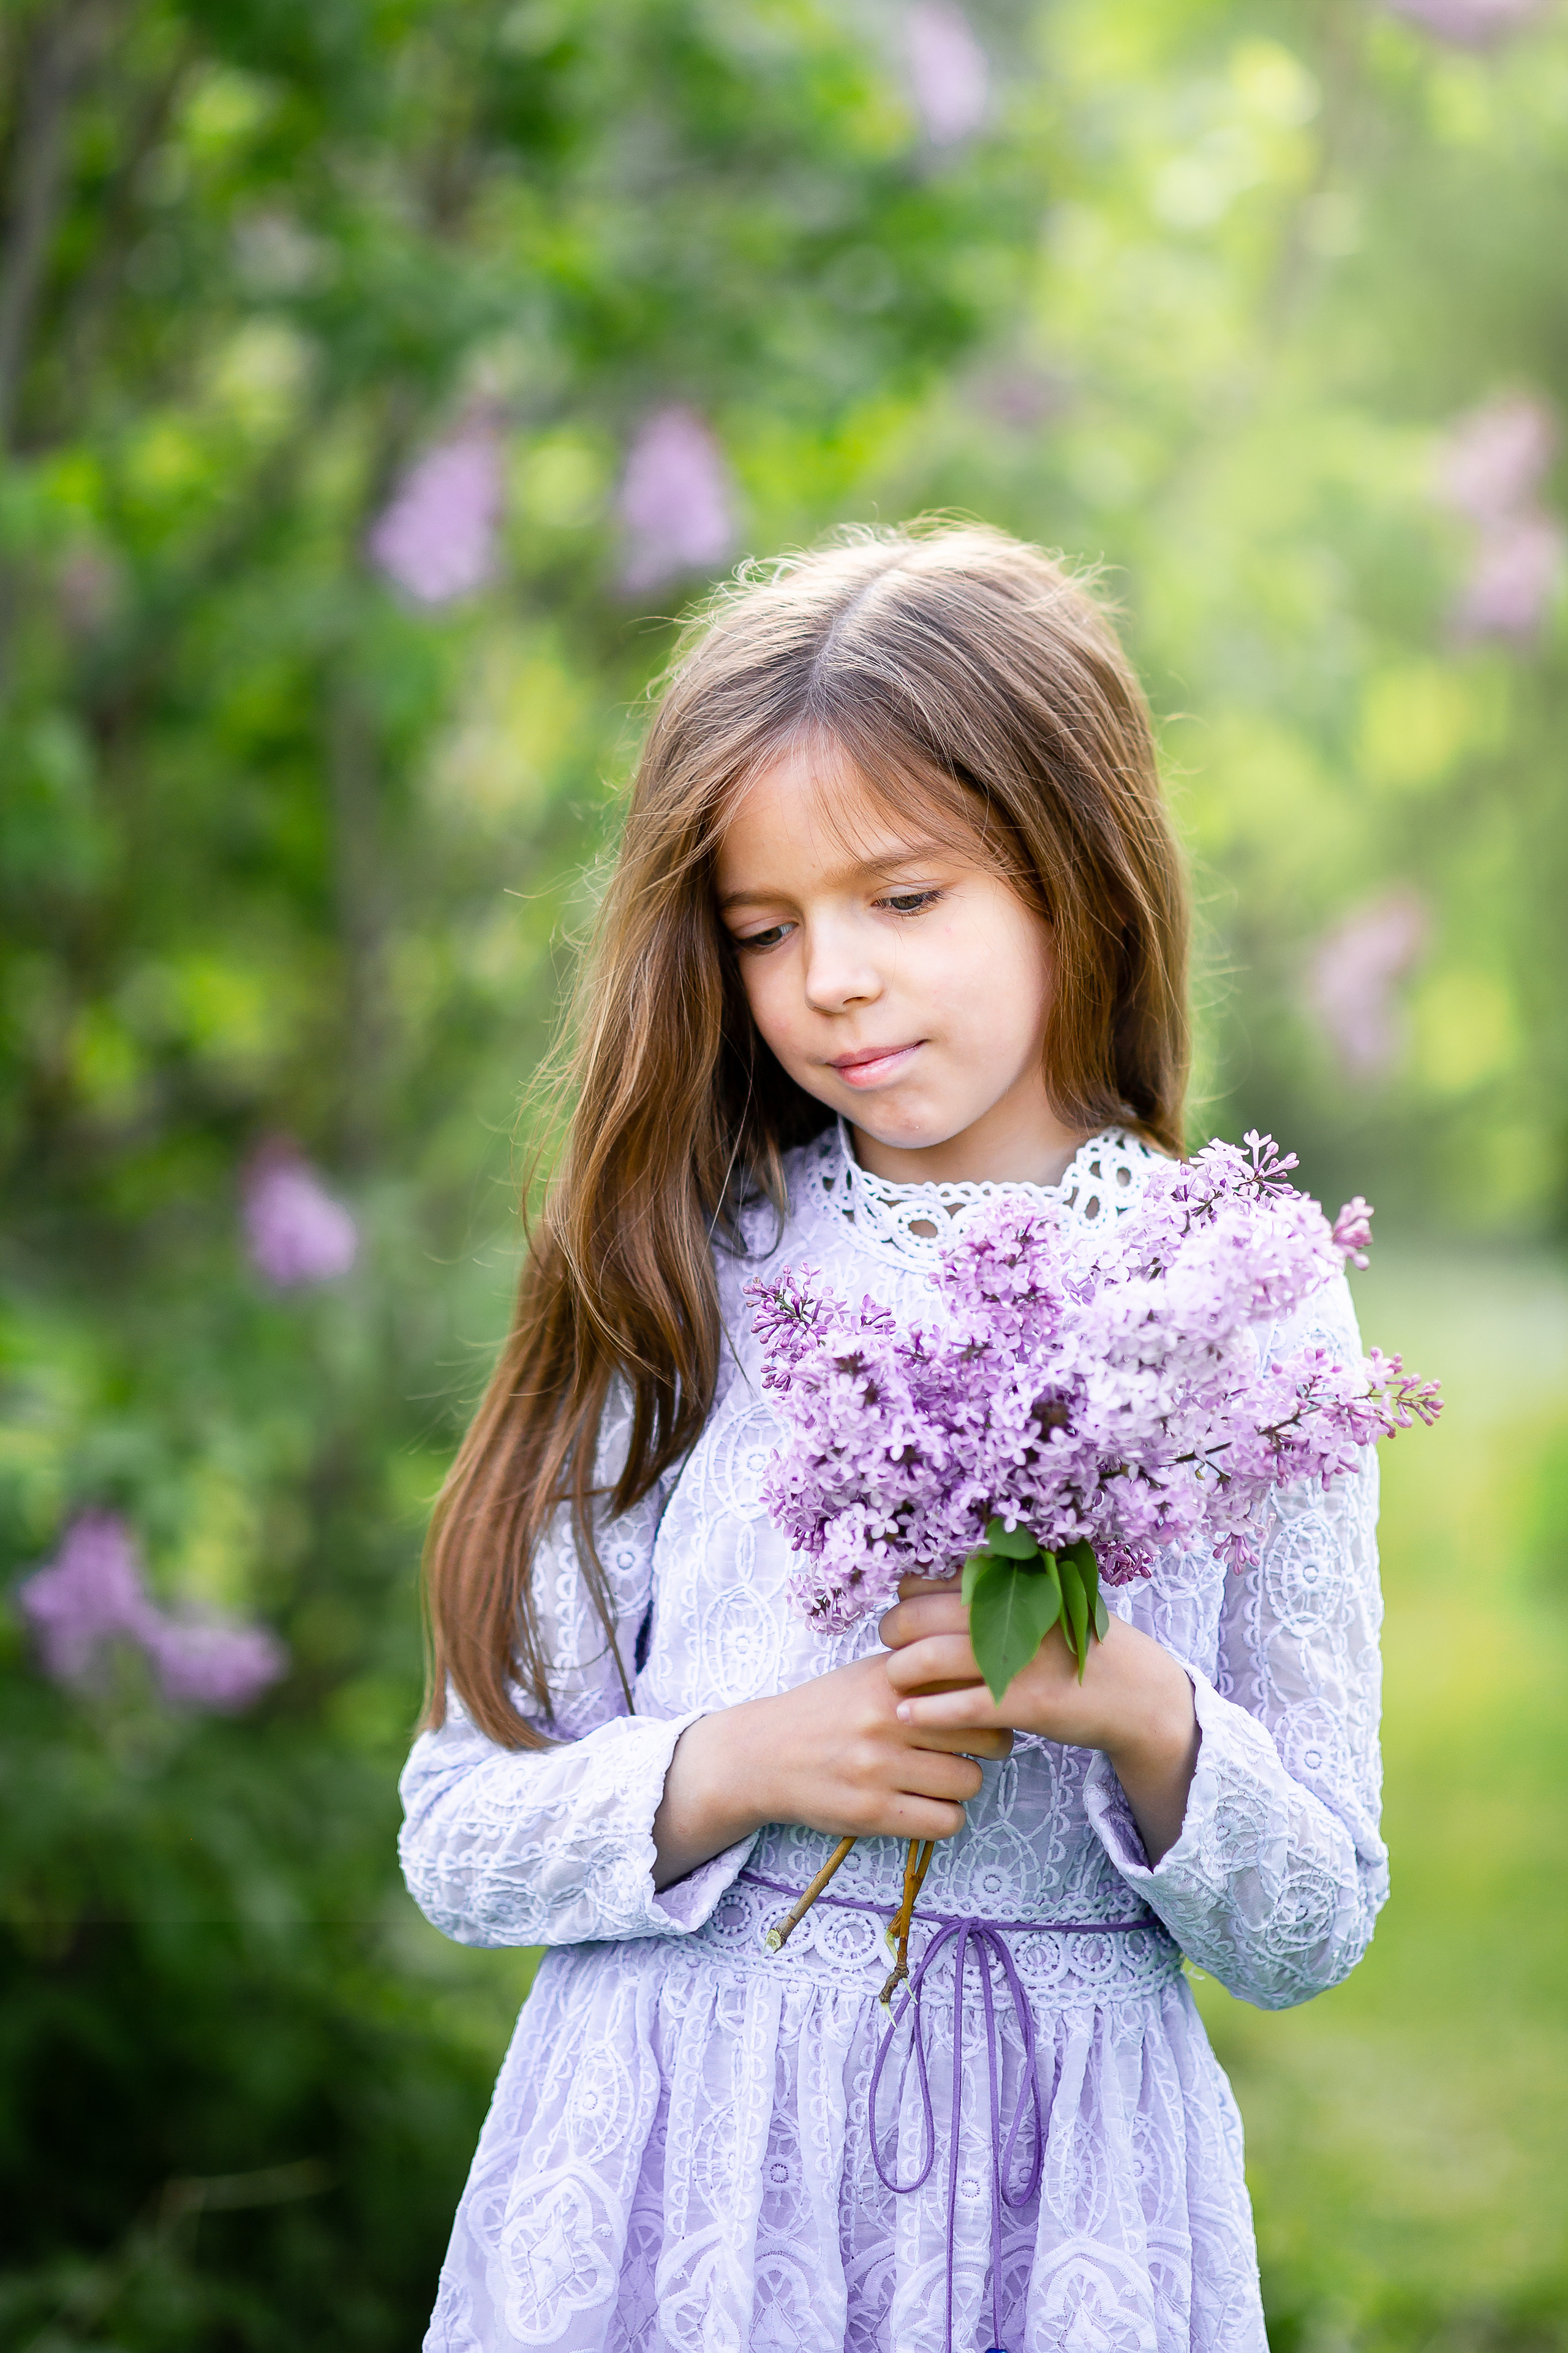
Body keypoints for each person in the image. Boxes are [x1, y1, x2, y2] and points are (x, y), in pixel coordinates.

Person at [399, 523, 1385, 2353]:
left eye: (902, 899)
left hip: (1065, 2190)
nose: (829, 978)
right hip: (675, 2177)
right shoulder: (683, 1256)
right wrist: (746, 1759)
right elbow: (464, 1830)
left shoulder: (1242, 1294)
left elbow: (1315, 1916)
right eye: (766, 930)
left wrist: (1143, 1709)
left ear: (1074, 878)